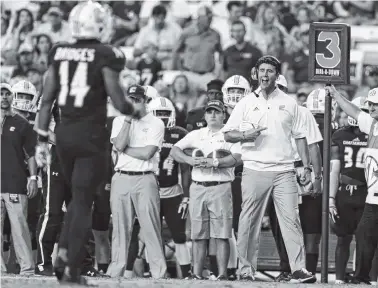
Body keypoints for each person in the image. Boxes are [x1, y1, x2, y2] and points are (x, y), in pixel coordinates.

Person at [34, 2, 135, 284]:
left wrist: (42, 137)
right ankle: (71, 270)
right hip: (91, 134)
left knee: (76, 201)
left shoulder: (59, 51)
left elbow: (47, 98)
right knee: (81, 203)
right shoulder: (106, 53)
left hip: (63, 134)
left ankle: (63, 256)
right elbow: (117, 98)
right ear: (101, 24)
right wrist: (135, 110)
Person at [223, 55, 316, 283]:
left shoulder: (290, 102)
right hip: (254, 169)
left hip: (284, 170)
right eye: (262, 71)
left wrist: (306, 166)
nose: (265, 75)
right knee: (248, 221)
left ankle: (298, 269)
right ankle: (246, 270)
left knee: (291, 220)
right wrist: (246, 134)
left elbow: (301, 138)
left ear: (277, 75)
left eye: (270, 71)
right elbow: (228, 133)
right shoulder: (245, 103)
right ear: (256, 73)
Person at [171, 99, 242, 280]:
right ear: (205, 115)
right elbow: (175, 150)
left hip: (220, 186)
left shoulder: (230, 134)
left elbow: (237, 158)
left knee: (222, 233)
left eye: (217, 112)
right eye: (209, 112)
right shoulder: (196, 134)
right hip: (198, 186)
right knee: (198, 234)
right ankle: (196, 274)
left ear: (223, 115)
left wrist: (216, 162)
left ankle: (223, 274)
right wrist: (189, 161)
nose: (212, 115)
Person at [107, 84, 167, 279]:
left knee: (151, 227)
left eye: (137, 100)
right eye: (130, 100)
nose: (133, 103)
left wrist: (123, 149)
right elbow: (118, 143)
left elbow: (147, 153)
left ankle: (159, 273)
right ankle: (116, 271)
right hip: (122, 176)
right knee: (119, 228)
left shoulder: (156, 123)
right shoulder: (119, 120)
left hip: (145, 178)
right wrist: (128, 120)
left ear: (145, 101)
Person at [325, 86, 378, 284]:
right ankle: (361, 277)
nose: (371, 108)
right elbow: (353, 111)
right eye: (370, 104)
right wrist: (336, 94)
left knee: (367, 237)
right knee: (365, 236)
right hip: (372, 195)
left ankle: (362, 277)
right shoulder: (372, 125)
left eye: (375, 105)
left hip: (372, 193)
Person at [148, 96, 192, 278]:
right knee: (150, 236)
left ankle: (187, 274)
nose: (163, 118)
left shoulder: (180, 133)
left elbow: (186, 169)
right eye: (159, 113)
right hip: (150, 192)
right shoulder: (145, 131)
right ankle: (152, 272)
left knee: (180, 236)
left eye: (166, 114)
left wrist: (187, 195)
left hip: (173, 192)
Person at [1, 83, 37, 275]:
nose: (4, 97)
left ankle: (27, 269)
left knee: (20, 229)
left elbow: (31, 154)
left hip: (15, 182)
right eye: (1, 94)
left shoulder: (22, 123)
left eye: (7, 94)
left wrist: (33, 178)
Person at [222, 75, 251, 280]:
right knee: (226, 227)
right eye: (231, 91)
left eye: (239, 91)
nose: (235, 95)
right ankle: (230, 268)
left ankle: (245, 267)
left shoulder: (252, 113)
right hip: (221, 177)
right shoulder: (214, 113)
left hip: (244, 174)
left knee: (244, 225)